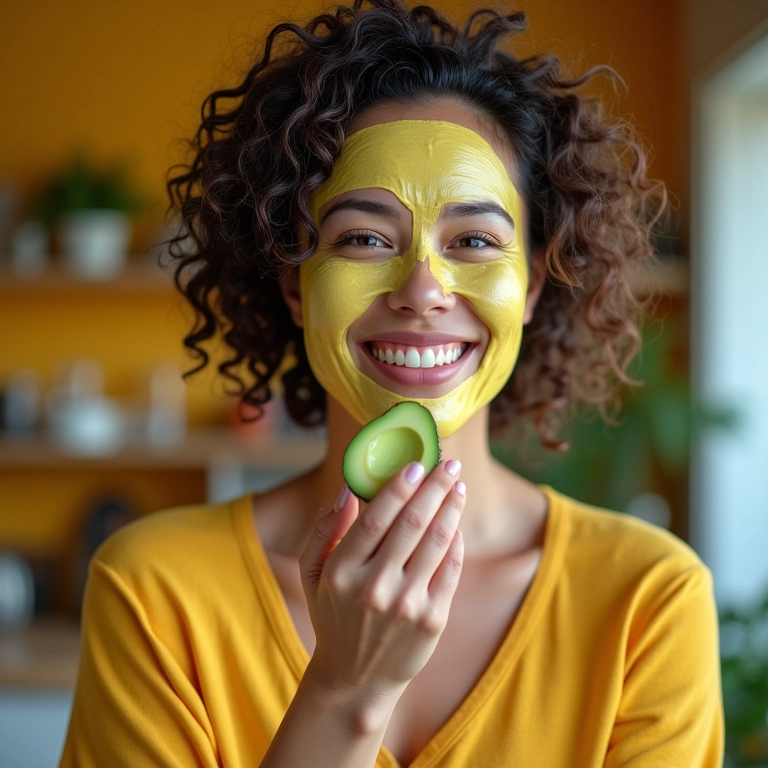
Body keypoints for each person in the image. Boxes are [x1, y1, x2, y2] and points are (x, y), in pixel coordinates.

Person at [59, 1, 723, 766]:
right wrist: (344, 691)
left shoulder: (649, 598)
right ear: (296, 286)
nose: (422, 288)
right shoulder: (153, 590)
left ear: (533, 285)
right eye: (364, 237)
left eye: (474, 240)